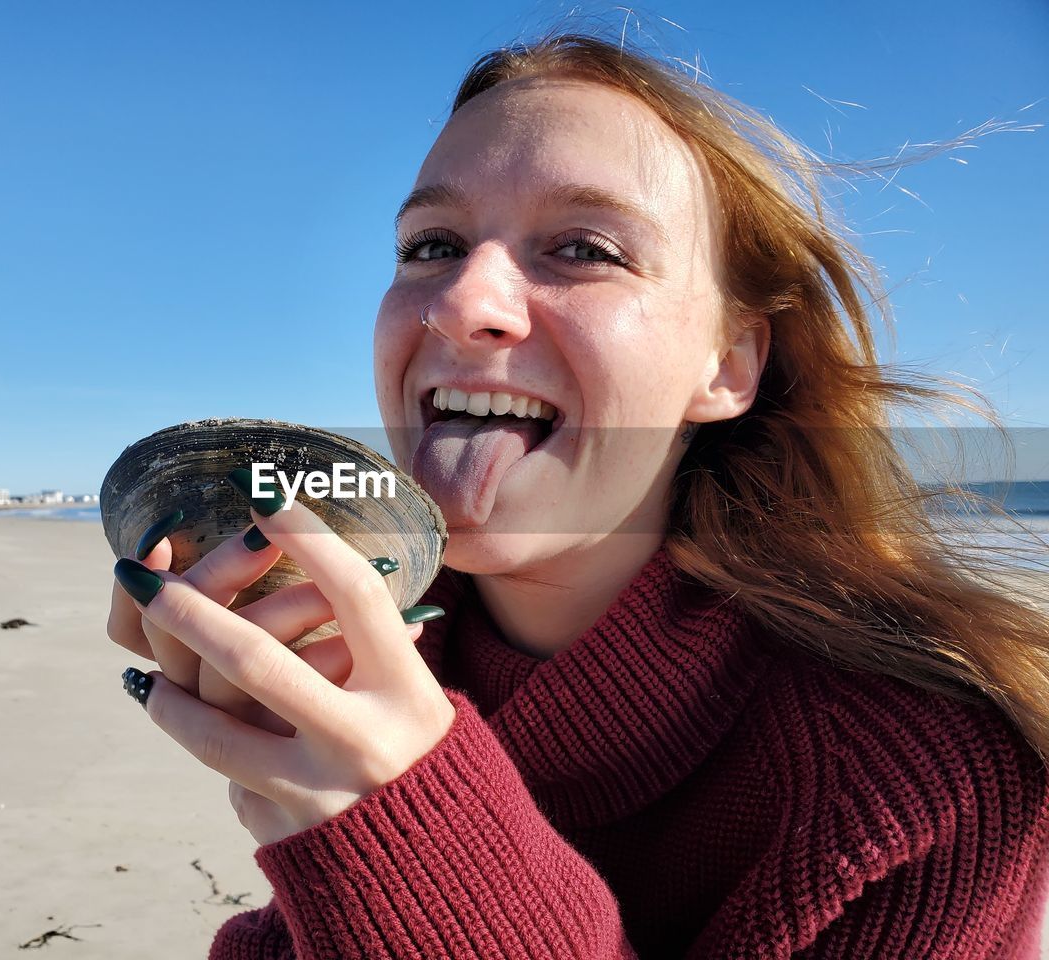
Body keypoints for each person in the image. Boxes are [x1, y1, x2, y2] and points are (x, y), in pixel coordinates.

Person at [107, 30, 1049, 959]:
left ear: (726, 366)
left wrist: (412, 844)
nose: (460, 301)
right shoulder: (381, 665)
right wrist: (297, 776)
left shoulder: (927, 778)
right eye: (431, 244)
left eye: (585, 248)